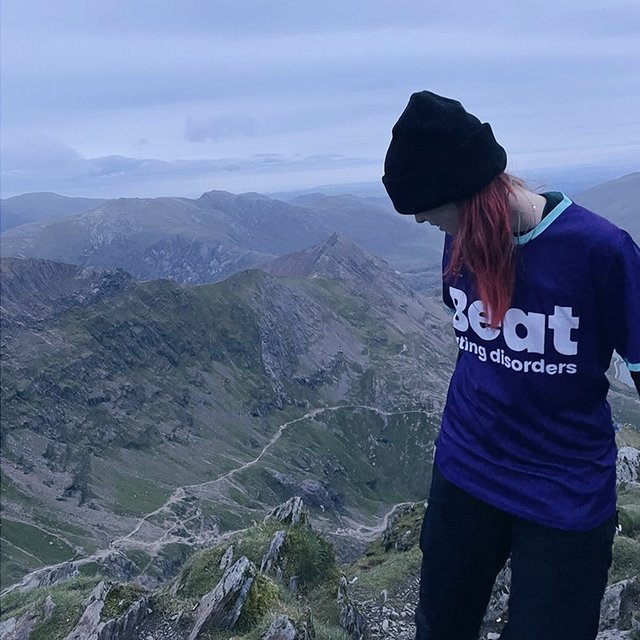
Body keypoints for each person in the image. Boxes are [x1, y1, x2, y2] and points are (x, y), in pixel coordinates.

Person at [381, 91, 640, 640]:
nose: (430, 225)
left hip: (564, 492)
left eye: (431, 215)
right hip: (465, 469)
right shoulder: (461, 242)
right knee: (439, 628)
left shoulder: (600, 250)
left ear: (467, 194)